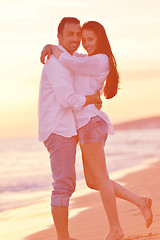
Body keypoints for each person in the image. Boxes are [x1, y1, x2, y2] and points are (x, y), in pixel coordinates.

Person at [41, 20, 153, 240]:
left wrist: (53, 48)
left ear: (101, 39)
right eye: (84, 40)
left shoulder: (99, 60)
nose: (85, 44)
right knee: (94, 181)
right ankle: (141, 202)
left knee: (100, 178)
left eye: (90, 39)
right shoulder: (88, 59)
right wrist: (53, 46)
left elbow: (70, 62)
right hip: (85, 124)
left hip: (91, 121)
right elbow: (74, 60)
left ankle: (116, 229)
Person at [38, 17, 102, 240]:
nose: (76, 39)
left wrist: (53, 47)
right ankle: (63, 238)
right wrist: (91, 98)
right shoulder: (55, 64)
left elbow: (86, 60)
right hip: (58, 129)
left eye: (78, 35)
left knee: (67, 183)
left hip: (68, 129)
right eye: (70, 35)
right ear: (60, 37)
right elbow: (66, 99)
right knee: (63, 184)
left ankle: (63, 236)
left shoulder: (70, 58)